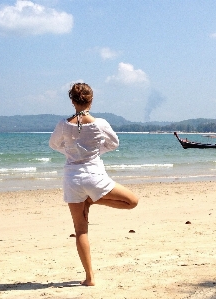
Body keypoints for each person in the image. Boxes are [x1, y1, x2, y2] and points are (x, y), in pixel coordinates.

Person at [49, 82, 139, 286]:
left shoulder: (63, 124)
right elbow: (114, 143)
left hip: (72, 179)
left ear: (72, 101)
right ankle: (94, 200)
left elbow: (54, 144)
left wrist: (71, 151)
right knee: (132, 202)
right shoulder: (100, 123)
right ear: (91, 100)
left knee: (81, 230)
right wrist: (96, 151)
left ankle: (89, 278)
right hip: (94, 176)